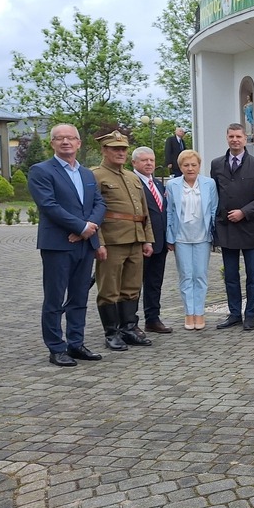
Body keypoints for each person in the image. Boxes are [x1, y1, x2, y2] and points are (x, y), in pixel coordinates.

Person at [27, 124, 107, 367]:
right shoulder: (40, 171)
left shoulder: (86, 174)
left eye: (70, 138)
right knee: (54, 298)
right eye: (59, 138)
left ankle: (76, 343)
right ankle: (56, 347)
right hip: (58, 245)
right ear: (52, 143)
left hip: (85, 245)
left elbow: (100, 203)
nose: (65, 142)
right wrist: (80, 228)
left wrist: (89, 227)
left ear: (79, 143)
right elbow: (49, 206)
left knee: (79, 296)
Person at [93, 130, 155, 351]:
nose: (120, 153)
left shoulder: (131, 177)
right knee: (109, 289)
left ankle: (129, 328)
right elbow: (92, 212)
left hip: (135, 240)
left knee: (131, 288)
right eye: (115, 149)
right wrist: (97, 242)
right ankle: (112, 332)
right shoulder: (95, 175)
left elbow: (143, 212)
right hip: (111, 241)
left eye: (123, 149)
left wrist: (147, 239)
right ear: (104, 150)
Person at [209, 123, 254, 330]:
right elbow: (214, 194)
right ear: (226, 138)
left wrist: (244, 212)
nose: (235, 140)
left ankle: (251, 314)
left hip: (249, 227)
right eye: (231, 136)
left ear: (246, 139)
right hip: (226, 227)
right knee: (230, 275)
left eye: (239, 136)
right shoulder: (216, 164)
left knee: (253, 275)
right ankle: (234, 313)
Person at [165, 150, 218, 330]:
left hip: (202, 236)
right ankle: (189, 313)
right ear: (180, 167)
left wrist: (214, 234)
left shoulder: (209, 183)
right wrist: (169, 236)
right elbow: (170, 212)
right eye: (186, 165)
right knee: (186, 276)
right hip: (181, 237)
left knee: (200, 275)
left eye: (193, 165)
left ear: (199, 166)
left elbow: (213, 209)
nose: (190, 168)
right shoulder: (172, 185)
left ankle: (200, 312)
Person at [132, 146, 172, 334]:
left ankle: (153, 319)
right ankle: (131, 321)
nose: (149, 163)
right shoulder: (131, 183)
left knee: (155, 283)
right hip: (140, 242)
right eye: (144, 160)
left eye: (152, 160)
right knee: (134, 284)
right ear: (134, 163)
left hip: (160, 242)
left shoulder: (157, 183)